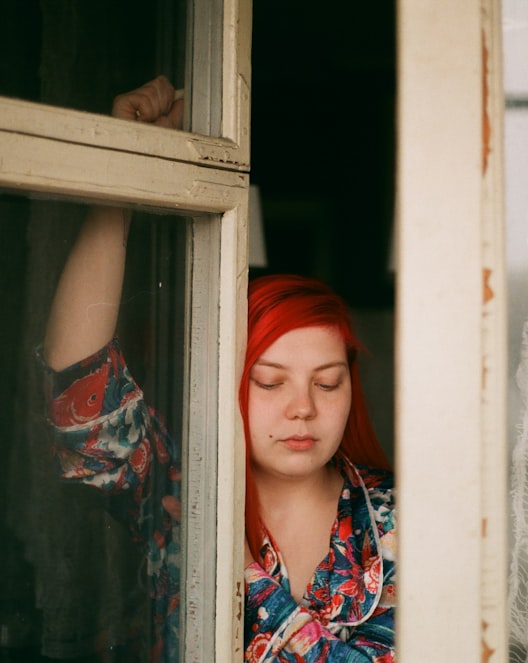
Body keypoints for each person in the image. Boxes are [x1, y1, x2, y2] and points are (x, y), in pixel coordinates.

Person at [41, 76, 397, 662]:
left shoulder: (393, 521)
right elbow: (81, 389)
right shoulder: (178, 499)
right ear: (226, 382)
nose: (303, 407)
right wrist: (121, 172)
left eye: (327, 382)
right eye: (269, 381)